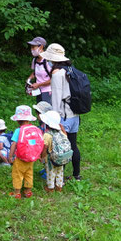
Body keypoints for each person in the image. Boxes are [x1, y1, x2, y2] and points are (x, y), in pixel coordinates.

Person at [40, 43, 82, 181]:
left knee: (60, 146)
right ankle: (76, 175)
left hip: (63, 116)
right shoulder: (70, 69)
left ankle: (60, 178)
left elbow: (57, 99)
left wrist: (54, 120)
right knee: (73, 145)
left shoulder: (57, 74)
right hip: (75, 114)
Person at [8, 105, 39, 199]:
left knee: (17, 174)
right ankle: (28, 191)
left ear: (17, 120)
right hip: (30, 157)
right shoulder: (33, 129)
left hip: (20, 157)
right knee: (29, 173)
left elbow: (14, 144)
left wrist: (10, 156)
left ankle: (17, 192)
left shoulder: (18, 130)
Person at [40, 111, 66, 192]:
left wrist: (42, 156)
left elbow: (45, 147)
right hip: (61, 156)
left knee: (50, 172)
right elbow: (66, 138)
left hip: (51, 158)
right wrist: (62, 128)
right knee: (60, 171)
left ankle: (50, 188)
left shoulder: (47, 135)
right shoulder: (61, 132)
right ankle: (59, 186)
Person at [27, 37, 52, 104]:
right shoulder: (35, 60)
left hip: (48, 91)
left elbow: (54, 79)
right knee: (39, 111)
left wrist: (39, 84)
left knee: (46, 112)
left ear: (41, 47)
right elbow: (35, 72)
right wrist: (29, 80)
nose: (32, 50)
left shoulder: (48, 61)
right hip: (38, 91)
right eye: (31, 47)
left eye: (33, 47)